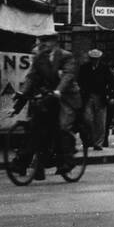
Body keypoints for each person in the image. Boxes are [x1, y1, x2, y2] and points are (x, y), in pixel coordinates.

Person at [10, 34, 83, 178]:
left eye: (45, 41)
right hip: (50, 97)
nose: (42, 44)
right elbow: (31, 77)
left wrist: (59, 90)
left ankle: (67, 160)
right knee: (40, 128)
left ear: (54, 42)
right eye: (40, 41)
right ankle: (34, 164)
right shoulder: (39, 58)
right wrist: (23, 91)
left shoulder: (66, 56)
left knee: (63, 126)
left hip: (66, 97)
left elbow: (68, 75)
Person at [78, 48, 111, 150]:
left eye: (96, 59)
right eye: (93, 58)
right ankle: (89, 140)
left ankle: (98, 143)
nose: (95, 60)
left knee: (100, 121)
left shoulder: (104, 68)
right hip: (88, 96)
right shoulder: (84, 68)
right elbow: (80, 81)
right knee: (88, 119)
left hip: (101, 97)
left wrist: (110, 95)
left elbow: (110, 82)